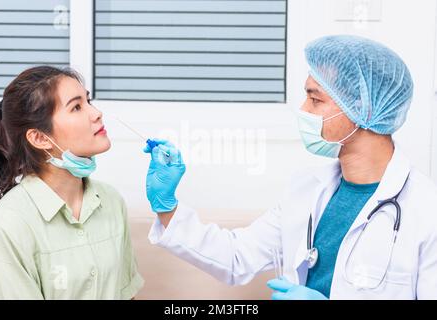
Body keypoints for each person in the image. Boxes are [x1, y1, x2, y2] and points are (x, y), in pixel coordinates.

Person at [143, 35, 437, 299]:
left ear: (364, 108)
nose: (303, 109)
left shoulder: (427, 212)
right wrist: (167, 207)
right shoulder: (306, 189)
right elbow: (236, 257)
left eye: (314, 98)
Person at [0, 66, 143, 299]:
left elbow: (126, 294)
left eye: (88, 100)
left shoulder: (111, 201)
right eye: (77, 107)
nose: (96, 113)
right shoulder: (10, 224)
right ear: (40, 138)